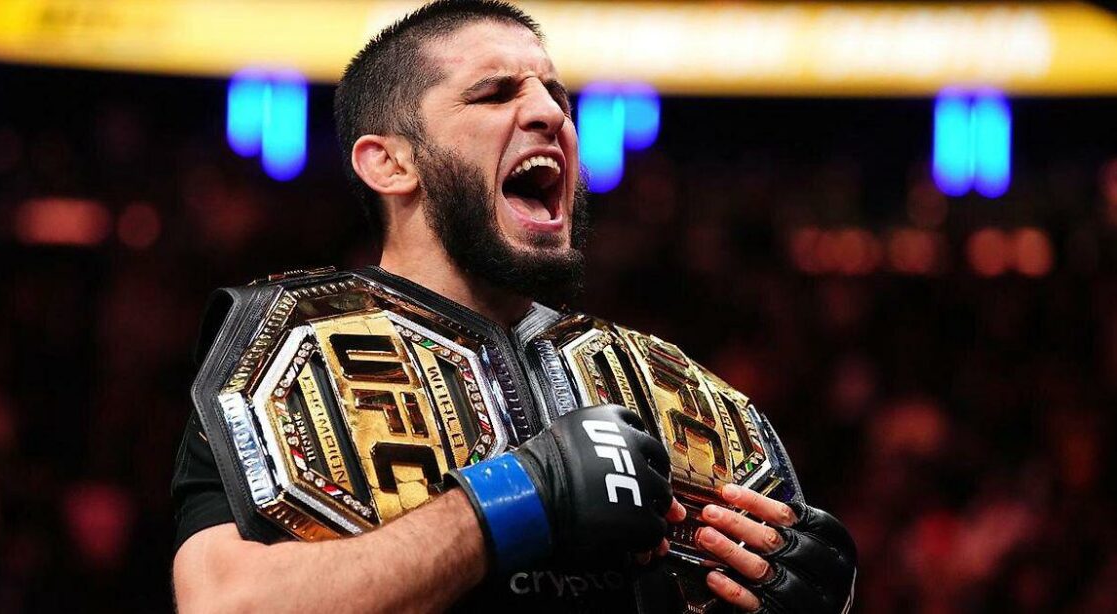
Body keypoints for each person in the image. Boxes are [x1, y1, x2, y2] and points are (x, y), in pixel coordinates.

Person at [171, 1, 856, 612]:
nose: (550, 114)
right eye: (495, 93)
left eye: (556, 95)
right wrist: (521, 495)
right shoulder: (281, 355)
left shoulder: (668, 386)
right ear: (389, 163)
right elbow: (227, 604)